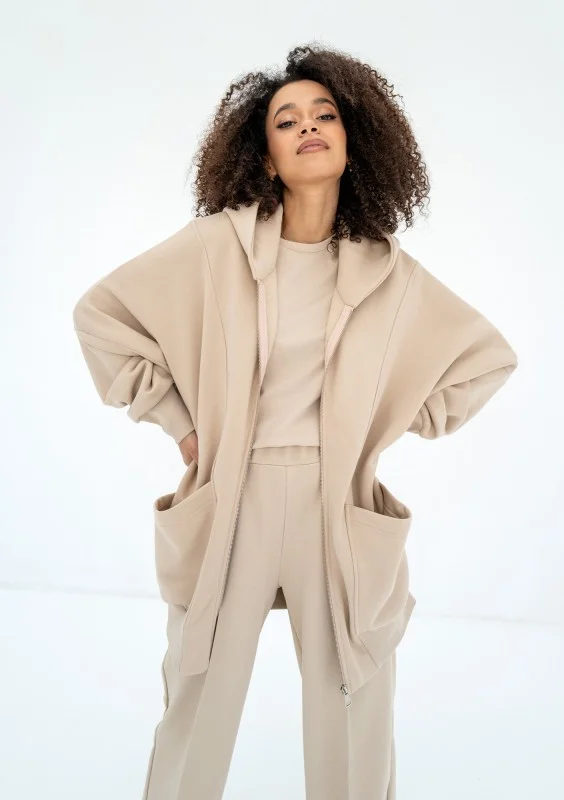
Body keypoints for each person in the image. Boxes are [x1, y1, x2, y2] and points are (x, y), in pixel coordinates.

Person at [72, 43, 518, 800]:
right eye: (287, 120)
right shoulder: (215, 248)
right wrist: (180, 423)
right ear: (266, 157)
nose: (309, 126)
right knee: (198, 696)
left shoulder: (389, 272)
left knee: (352, 700)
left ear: (353, 142)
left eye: (325, 114)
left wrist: (382, 423)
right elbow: (101, 317)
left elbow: (486, 359)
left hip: (333, 507)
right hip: (233, 496)